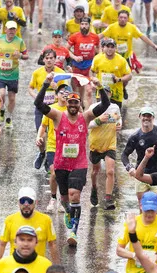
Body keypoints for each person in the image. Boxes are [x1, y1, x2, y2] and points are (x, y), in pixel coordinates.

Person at [34, 73, 110, 246]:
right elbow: (38, 104)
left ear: (79, 105)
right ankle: (68, 211)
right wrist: (46, 84)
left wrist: (99, 86)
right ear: (66, 104)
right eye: (71, 102)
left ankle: (73, 232)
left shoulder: (86, 117)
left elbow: (105, 105)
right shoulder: (57, 116)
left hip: (79, 164)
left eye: (76, 102)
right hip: (61, 164)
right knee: (65, 199)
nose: (73, 105)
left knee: (74, 196)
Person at [0, 186, 58, 271]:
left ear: (35, 202)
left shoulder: (46, 220)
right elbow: (1, 244)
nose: (26, 204)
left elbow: (53, 244)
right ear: (18, 203)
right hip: (16, 271)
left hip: (38, 270)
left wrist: (57, 269)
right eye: (22, 201)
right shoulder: (9, 220)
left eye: (30, 201)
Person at [121, 107, 157, 204]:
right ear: (140, 117)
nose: (146, 118)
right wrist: (130, 168)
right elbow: (124, 155)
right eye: (144, 116)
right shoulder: (135, 137)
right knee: (143, 205)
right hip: (141, 174)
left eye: (149, 116)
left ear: (153, 117)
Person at [29, 49, 65, 170]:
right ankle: (42, 153)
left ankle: (51, 157)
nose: (49, 60)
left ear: (55, 59)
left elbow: (65, 90)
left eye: (51, 58)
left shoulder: (61, 73)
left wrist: (56, 89)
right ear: (43, 59)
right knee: (41, 134)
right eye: (47, 58)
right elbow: (30, 88)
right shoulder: (37, 73)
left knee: (55, 134)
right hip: (41, 108)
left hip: (55, 108)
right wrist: (37, 98)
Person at [36, 84, 71, 213]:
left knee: (65, 174)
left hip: (68, 147)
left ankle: (63, 199)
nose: (64, 94)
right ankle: (53, 198)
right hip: (53, 145)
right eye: (61, 92)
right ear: (56, 95)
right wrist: (39, 137)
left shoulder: (73, 109)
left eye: (67, 92)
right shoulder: (51, 109)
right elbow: (43, 126)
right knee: (54, 172)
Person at [88, 86, 122, 209]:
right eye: (102, 93)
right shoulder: (93, 108)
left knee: (110, 171)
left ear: (110, 95)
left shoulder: (115, 107)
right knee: (95, 171)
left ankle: (108, 198)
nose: (104, 95)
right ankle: (94, 187)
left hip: (110, 144)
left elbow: (118, 119)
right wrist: (98, 121)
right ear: (98, 95)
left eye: (106, 93)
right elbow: (87, 124)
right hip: (96, 144)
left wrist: (119, 125)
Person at [0, 21, 28, 128]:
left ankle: (9, 118)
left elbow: (26, 56)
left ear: (16, 30)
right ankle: (2, 110)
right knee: (0, 94)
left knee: (11, 98)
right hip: (0, 74)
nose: (12, 31)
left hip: (13, 75)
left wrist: (20, 55)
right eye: (10, 29)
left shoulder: (19, 41)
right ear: (5, 29)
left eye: (14, 29)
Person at [67, 17, 100, 108]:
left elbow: (99, 50)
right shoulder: (74, 36)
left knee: (89, 90)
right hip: (76, 66)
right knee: (77, 89)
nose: (84, 26)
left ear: (89, 25)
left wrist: (97, 60)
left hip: (89, 67)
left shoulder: (95, 37)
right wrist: (74, 57)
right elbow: (66, 49)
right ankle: (80, 104)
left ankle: (89, 112)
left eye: (86, 24)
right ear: (80, 25)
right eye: (82, 24)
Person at [91, 38, 132, 108]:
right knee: (102, 116)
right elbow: (92, 71)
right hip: (102, 91)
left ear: (115, 48)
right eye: (108, 46)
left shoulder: (121, 60)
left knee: (115, 116)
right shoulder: (97, 59)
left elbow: (129, 76)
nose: (110, 49)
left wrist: (119, 79)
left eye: (112, 47)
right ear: (103, 48)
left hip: (116, 93)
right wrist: (92, 81)